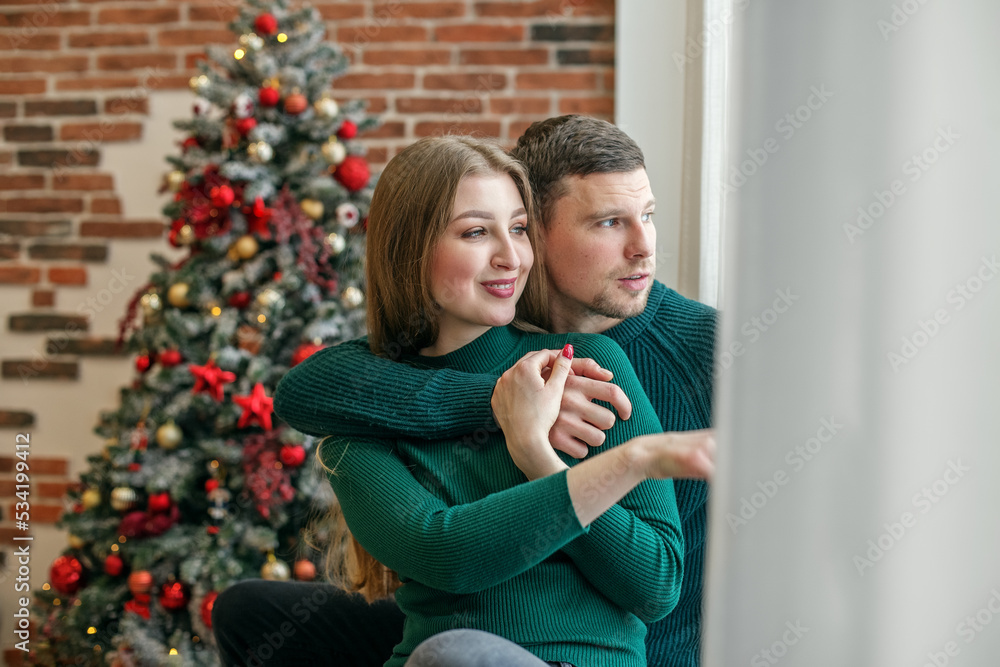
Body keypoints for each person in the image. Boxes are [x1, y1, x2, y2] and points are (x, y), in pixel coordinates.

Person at [213, 117, 718, 666]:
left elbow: (658, 586)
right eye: (477, 232)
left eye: (517, 229)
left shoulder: (593, 368)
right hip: (451, 648)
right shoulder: (368, 410)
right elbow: (443, 551)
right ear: (412, 251)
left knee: (457, 654)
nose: (510, 255)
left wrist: (539, 455)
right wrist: (502, 405)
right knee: (259, 611)